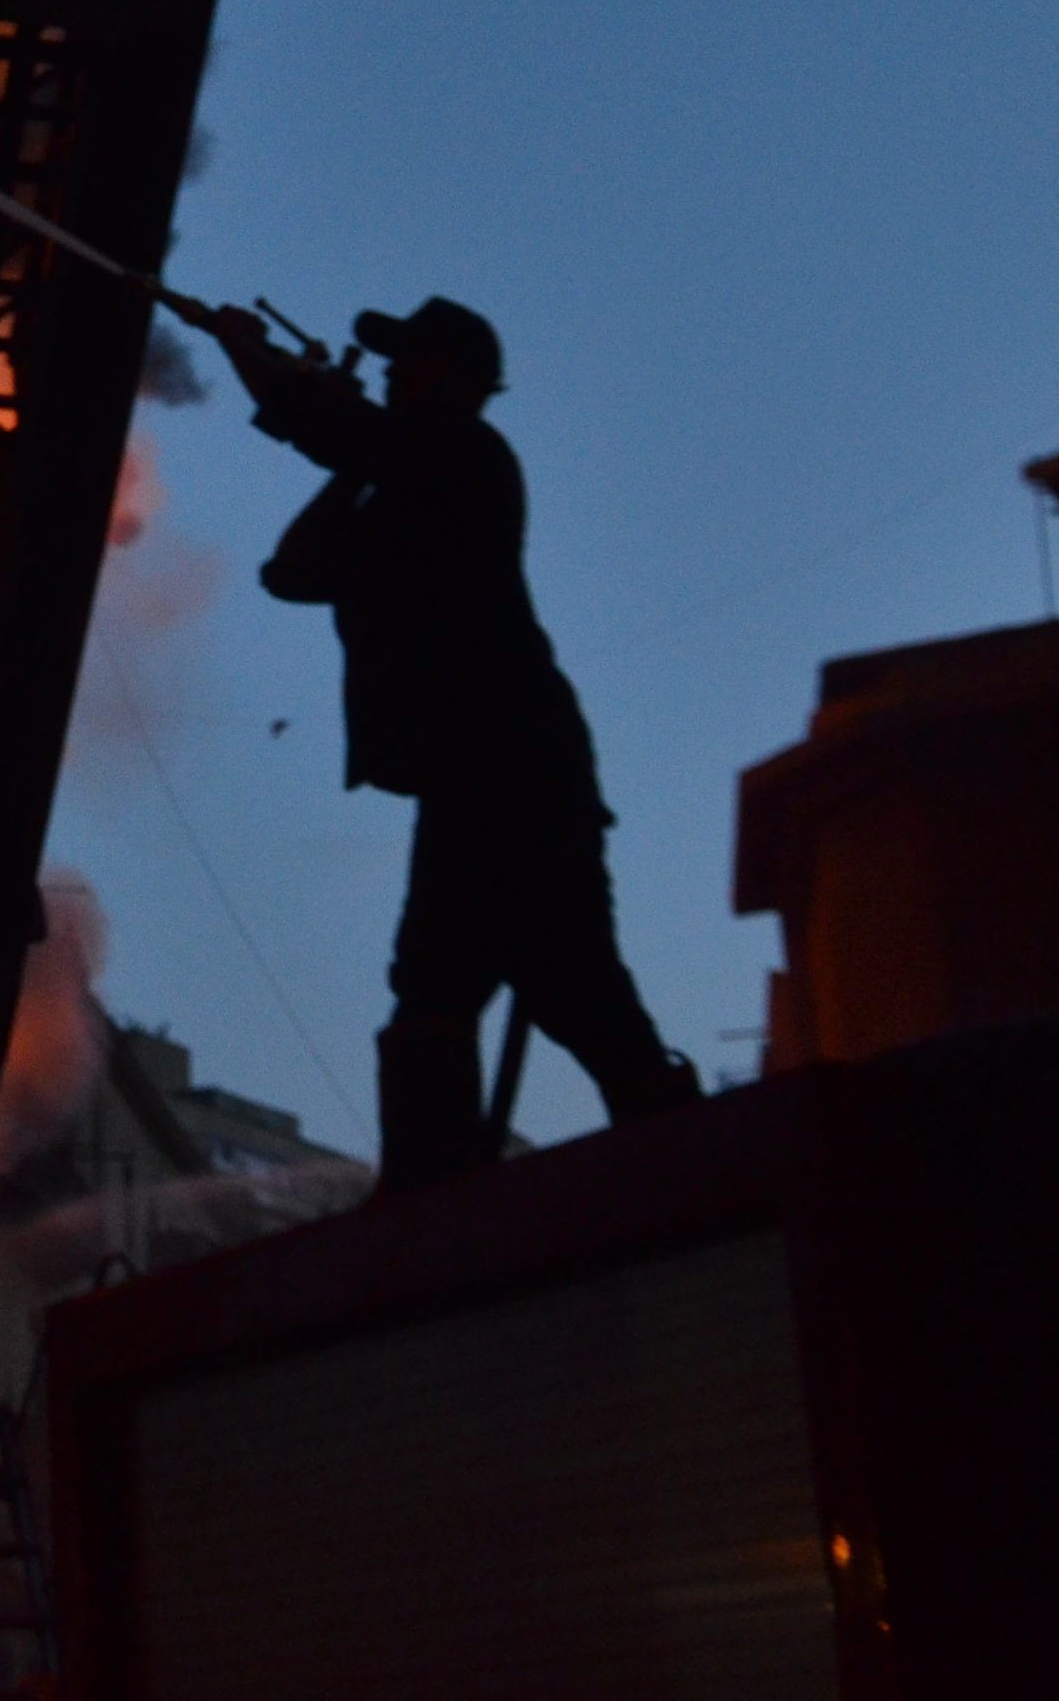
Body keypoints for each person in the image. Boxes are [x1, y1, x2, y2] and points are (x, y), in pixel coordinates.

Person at [194, 293, 700, 1189]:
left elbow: (335, 431)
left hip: (507, 766)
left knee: (466, 977)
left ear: (462, 380)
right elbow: (292, 569)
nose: (392, 370)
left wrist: (252, 359)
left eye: (412, 359)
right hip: (494, 771)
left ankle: (447, 1190)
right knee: (549, 980)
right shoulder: (403, 487)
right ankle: (664, 1151)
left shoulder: (466, 457)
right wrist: (351, 461)